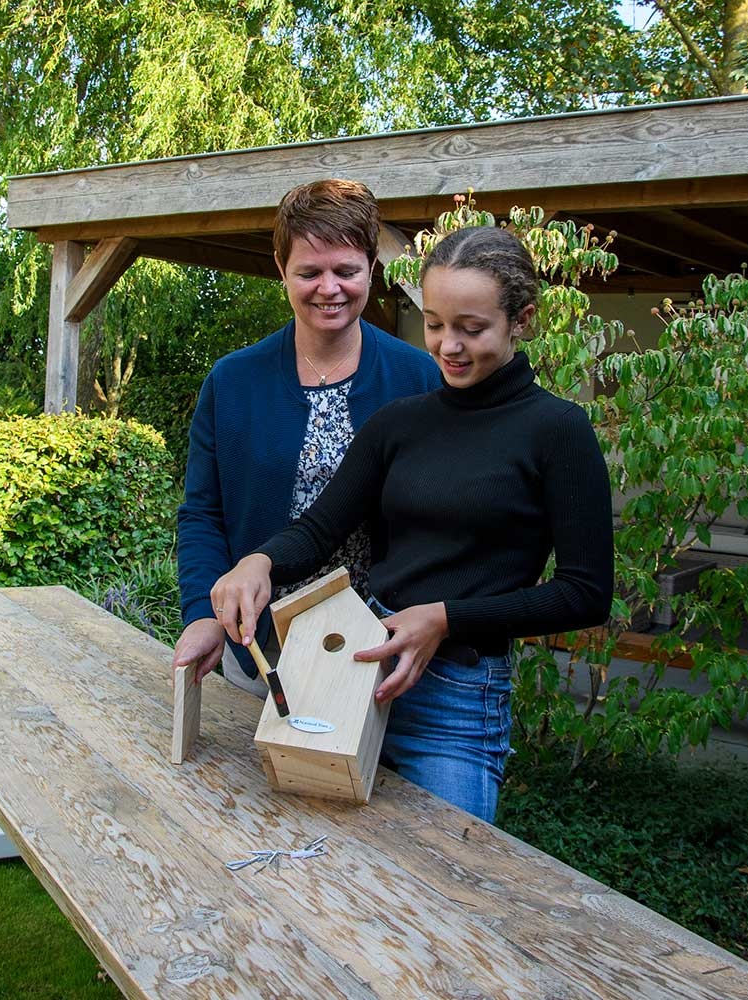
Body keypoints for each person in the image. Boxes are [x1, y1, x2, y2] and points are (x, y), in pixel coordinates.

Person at [210, 225, 614, 822]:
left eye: (471, 329)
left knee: (450, 888)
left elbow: (585, 594)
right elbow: (318, 532)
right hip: (357, 673)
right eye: (434, 324)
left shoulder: (558, 431)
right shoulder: (399, 423)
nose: (448, 346)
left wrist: (446, 619)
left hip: (456, 703)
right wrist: (258, 563)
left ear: (521, 319)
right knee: (326, 867)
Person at [172, 179, 439, 694]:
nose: (329, 288)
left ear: (370, 265)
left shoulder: (418, 379)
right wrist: (201, 614)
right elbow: (203, 513)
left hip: (377, 647)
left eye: (346, 271)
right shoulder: (232, 382)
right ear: (281, 269)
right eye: (309, 272)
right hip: (257, 647)